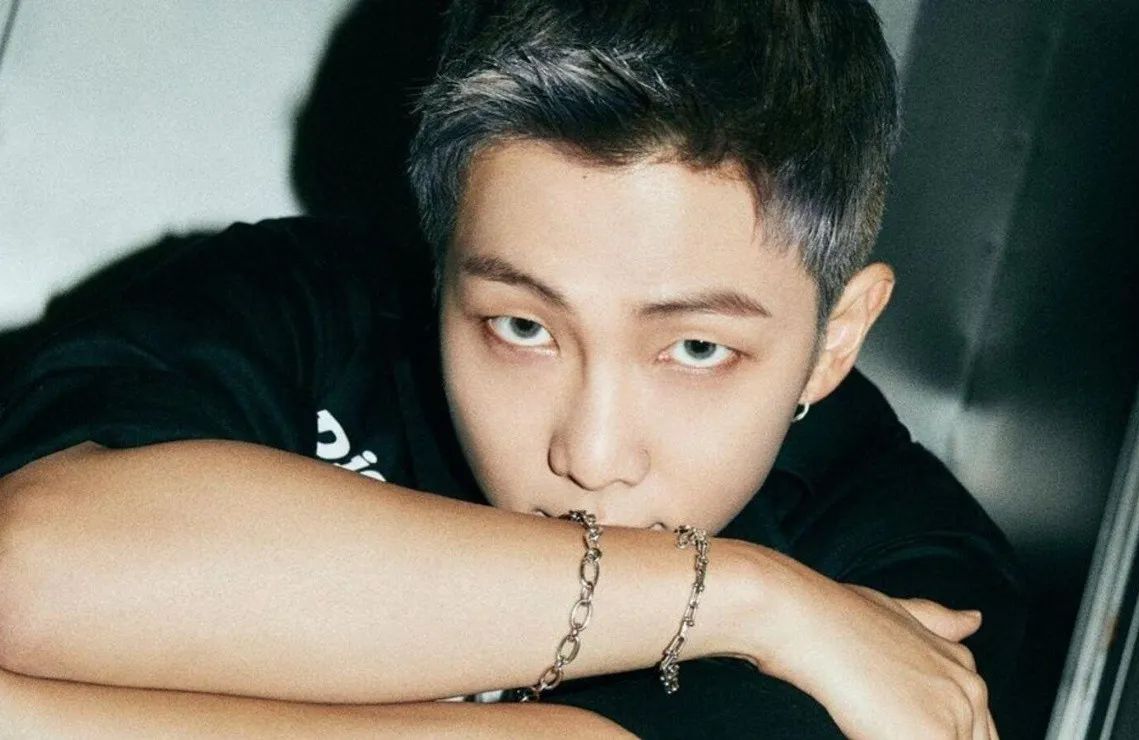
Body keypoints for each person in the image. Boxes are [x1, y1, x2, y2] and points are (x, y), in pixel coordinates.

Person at [0, 0, 1026, 737]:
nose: (592, 452)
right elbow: (32, 571)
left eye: (696, 348)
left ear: (835, 341)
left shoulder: (899, 564)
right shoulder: (304, 304)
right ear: (439, 266)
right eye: (523, 326)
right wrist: (745, 598)